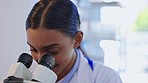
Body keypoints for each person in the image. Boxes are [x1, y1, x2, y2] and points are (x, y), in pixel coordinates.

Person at [25, 0, 123, 83]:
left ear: (77, 39)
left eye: (53, 50)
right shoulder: (26, 76)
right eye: (33, 49)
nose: (40, 59)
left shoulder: (105, 78)